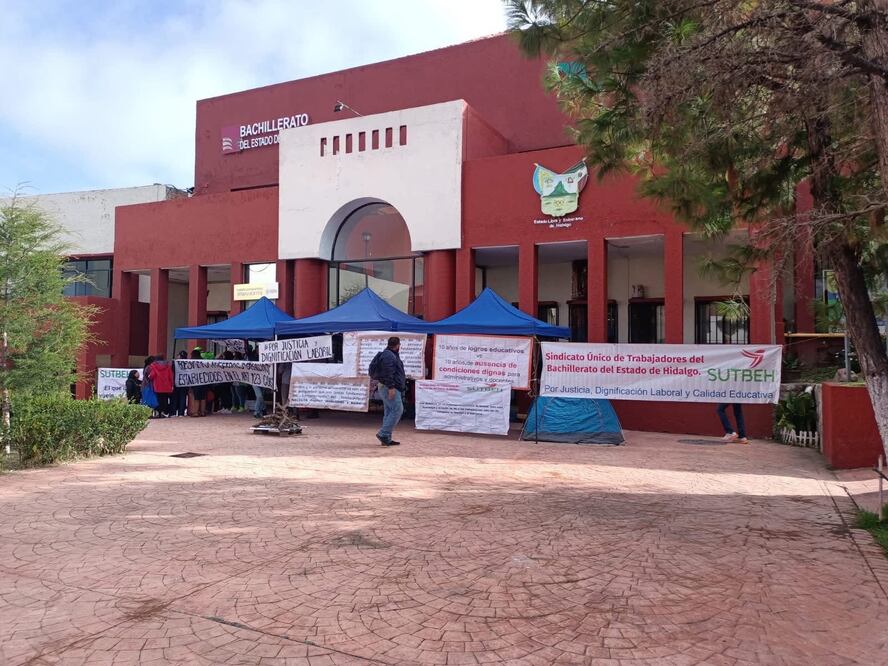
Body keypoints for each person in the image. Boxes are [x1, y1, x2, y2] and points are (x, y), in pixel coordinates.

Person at [371, 336, 406, 447]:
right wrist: (391, 387)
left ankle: (386, 438)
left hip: (388, 386)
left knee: (389, 411)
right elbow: (388, 372)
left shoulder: (389, 354)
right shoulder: (389, 356)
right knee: (397, 410)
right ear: (398, 345)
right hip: (389, 387)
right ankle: (383, 433)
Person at [189, 347, 208, 417]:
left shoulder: (191, 362)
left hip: (195, 381)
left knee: (195, 397)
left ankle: (195, 412)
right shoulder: (204, 361)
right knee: (203, 397)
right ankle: (202, 411)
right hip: (203, 381)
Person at [173, 351, 188, 417]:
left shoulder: (175, 363)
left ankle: (173, 412)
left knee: (175, 397)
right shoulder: (188, 363)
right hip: (184, 382)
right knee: (182, 397)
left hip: (176, 382)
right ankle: (181, 412)